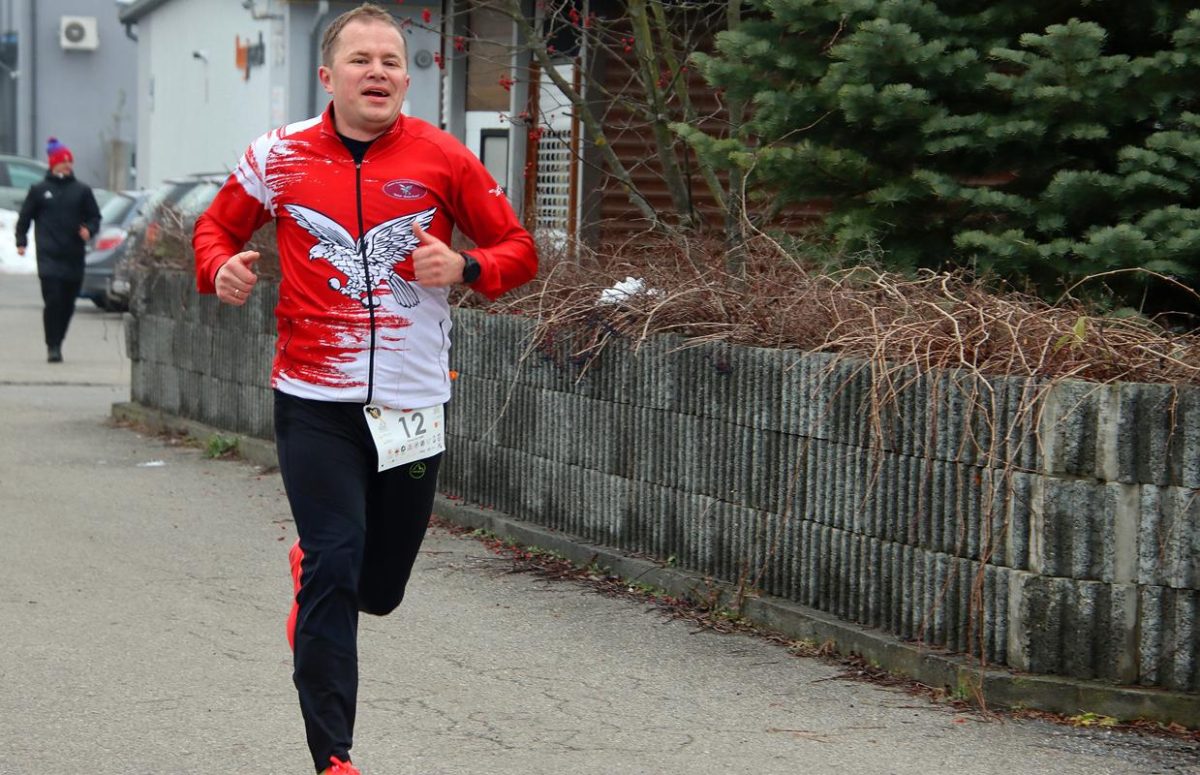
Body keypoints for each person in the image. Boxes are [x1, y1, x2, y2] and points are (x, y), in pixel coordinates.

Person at [191, 4, 537, 773]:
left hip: (413, 404)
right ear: (328, 75)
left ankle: (315, 569)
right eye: (360, 59)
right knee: (335, 559)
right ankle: (334, 755)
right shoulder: (277, 156)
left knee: (377, 589)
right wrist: (219, 268)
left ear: (406, 80)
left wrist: (467, 266)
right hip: (314, 400)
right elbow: (214, 230)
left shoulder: (444, 158)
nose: (377, 71)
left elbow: (519, 249)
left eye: (391, 61)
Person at [15, 137, 101, 363]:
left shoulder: (82, 191)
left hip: (73, 257)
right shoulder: (39, 190)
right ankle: (52, 345)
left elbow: (95, 217)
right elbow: (25, 218)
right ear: (53, 164)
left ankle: (58, 339)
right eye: (63, 162)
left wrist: (89, 229)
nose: (67, 165)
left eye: (69, 162)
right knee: (53, 301)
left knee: (68, 304)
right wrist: (21, 241)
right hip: (48, 256)